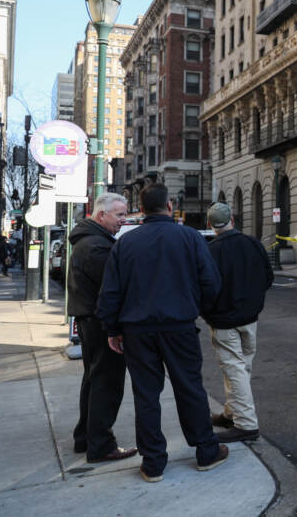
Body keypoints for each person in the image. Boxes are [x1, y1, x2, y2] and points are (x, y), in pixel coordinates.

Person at [97, 183, 228, 483]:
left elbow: (111, 293)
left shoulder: (124, 243)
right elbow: (211, 282)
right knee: (190, 388)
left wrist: (113, 328)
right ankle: (206, 451)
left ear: (140, 210)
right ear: (169, 206)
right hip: (178, 326)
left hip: (137, 331)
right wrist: (193, 307)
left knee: (146, 395)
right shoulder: (189, 237)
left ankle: (153, 462)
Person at [68, 193, 137, 463]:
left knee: (94, 379)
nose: (124, 220)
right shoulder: (96, 247)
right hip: (99, 323)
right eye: (119, 215)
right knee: (106, 383)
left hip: (91, 320)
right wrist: (115, 329)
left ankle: (85, 437)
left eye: (125, 214)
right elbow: (113, 291)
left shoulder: (90, 242)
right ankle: (101, 445)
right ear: (101, 215)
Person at [203, 202, 274, 442]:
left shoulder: (210, 251)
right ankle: (231, 413)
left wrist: (209, 314)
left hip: (224, 322)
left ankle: (246, 424)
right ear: (232, 220)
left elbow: (204, 289)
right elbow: (268, 277)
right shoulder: (253, 244)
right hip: (249, 319)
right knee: (241, 369)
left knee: (234, 370)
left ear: (211, 225)